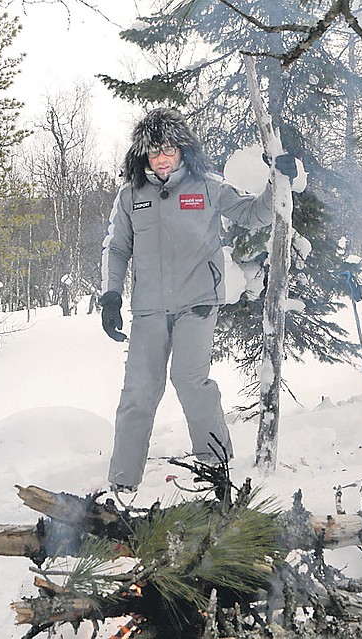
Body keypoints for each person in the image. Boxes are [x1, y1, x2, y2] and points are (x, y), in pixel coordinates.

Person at [100, 107, 297, 491]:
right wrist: (110, 294)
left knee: (190, 381)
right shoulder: (131, 195)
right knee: (138, 391)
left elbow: (255, 216)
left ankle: (215, 469)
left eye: (168, 150)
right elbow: (117, 246)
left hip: (197, 303)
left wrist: (277, 179)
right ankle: (122, 483)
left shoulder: (207, 186)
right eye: (153, 152)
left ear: (182, 150)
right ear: (143, 155)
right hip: (149, 309)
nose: (161, 158)